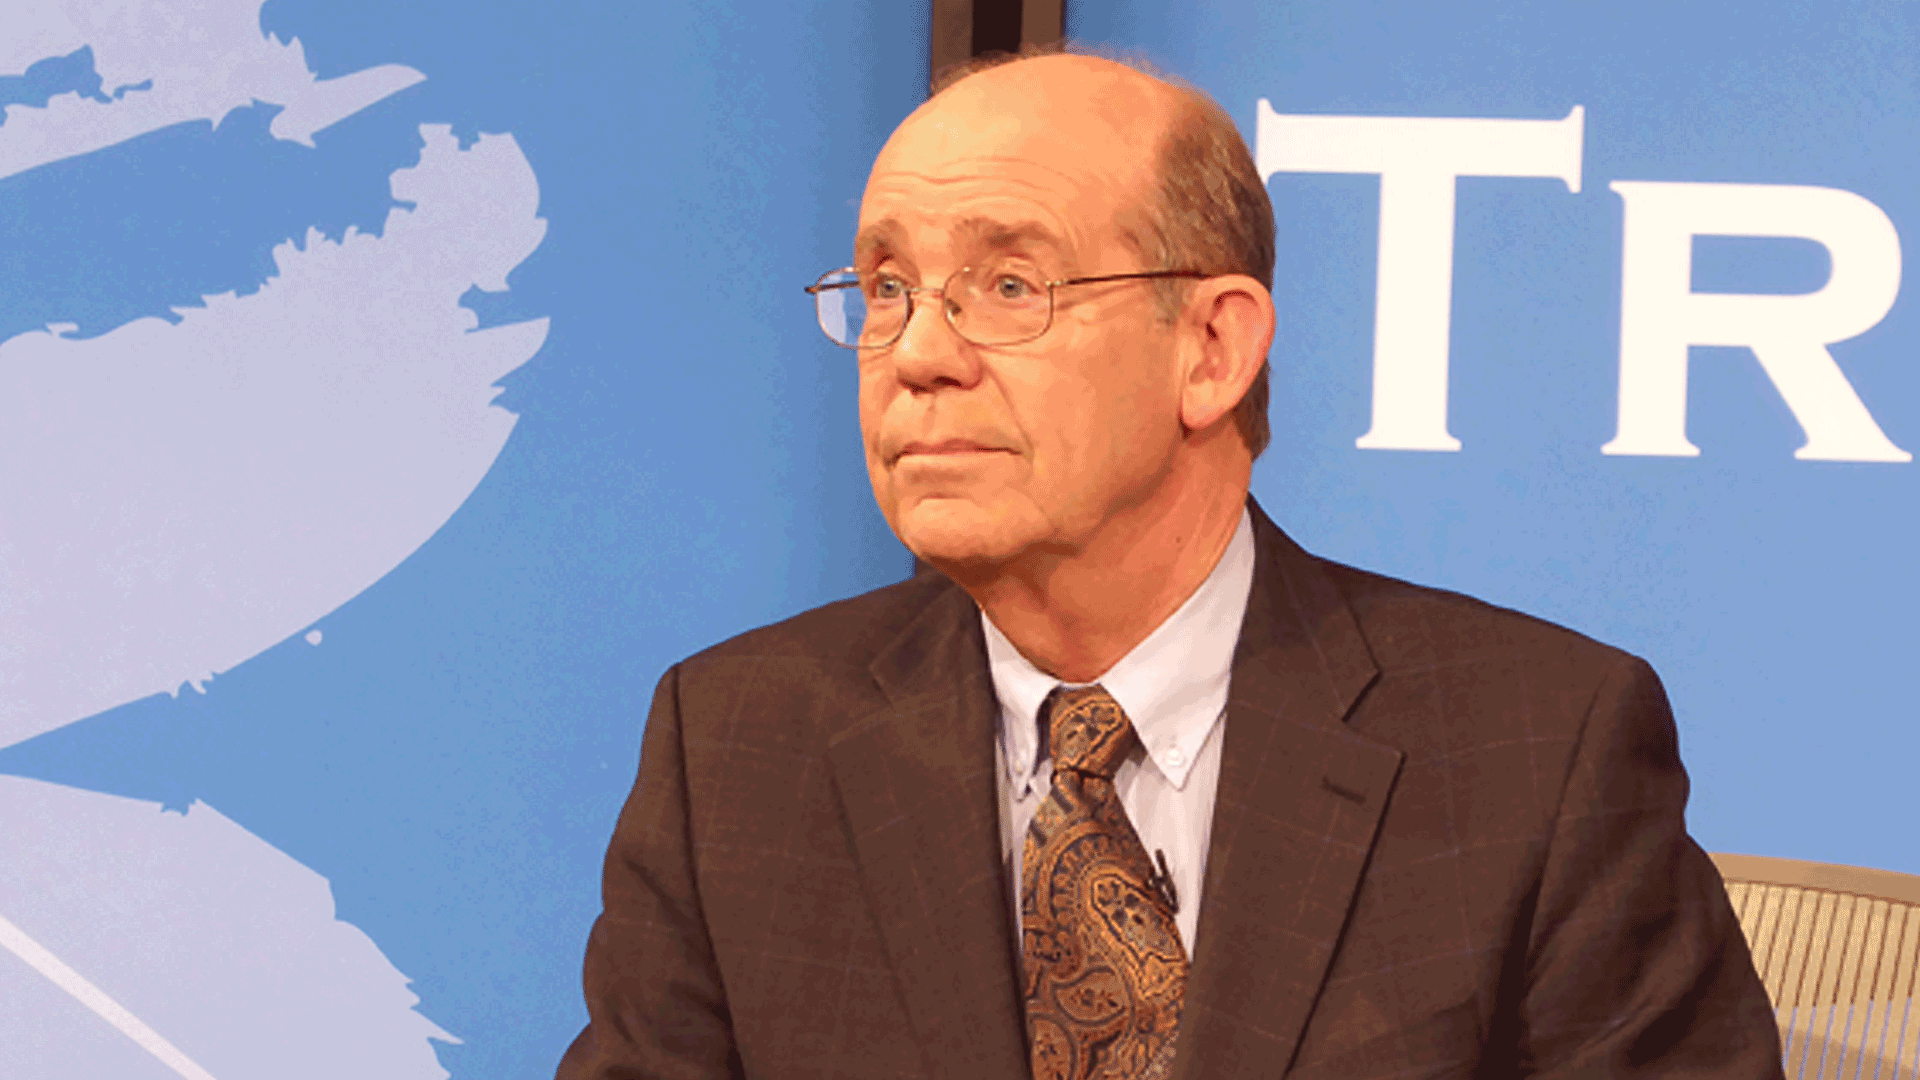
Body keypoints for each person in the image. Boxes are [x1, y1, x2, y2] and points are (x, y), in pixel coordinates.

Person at [557, 46, 1784, 1080]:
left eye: (1009, 284)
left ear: (1212, 349)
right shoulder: (739, 747)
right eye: (887, 288)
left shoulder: (1536, 751)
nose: (918, 353)